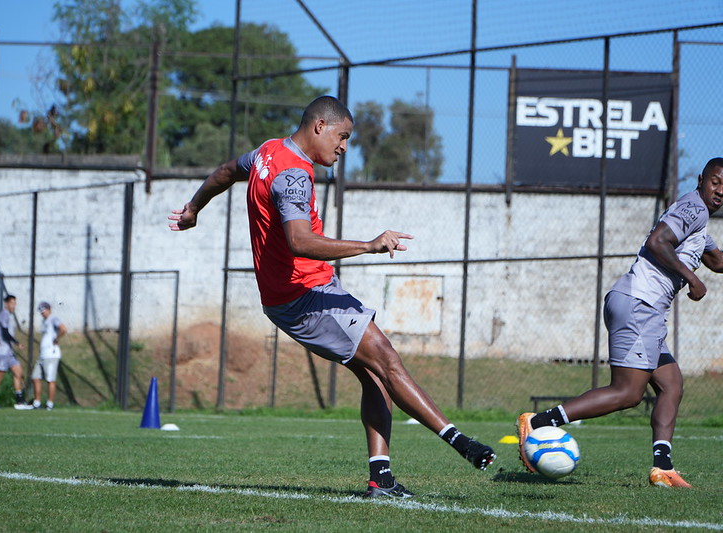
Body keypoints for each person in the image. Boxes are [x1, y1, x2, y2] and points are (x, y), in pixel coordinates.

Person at [169, 95, 495, 498]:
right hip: (304, 295)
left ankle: (382, 479)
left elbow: (223, 172)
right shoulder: (294, 175)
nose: (343, 147)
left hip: (301, 292)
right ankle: (460, 442)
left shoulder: (267, 153)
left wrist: (194, 208)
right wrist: (369, 245)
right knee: (387, 359)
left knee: (374, 373)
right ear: (320, 126)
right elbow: (300, 241)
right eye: (342, 137)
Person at [517, 157, 723, 489]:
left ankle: (663, 468)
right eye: (716, 182)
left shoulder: (700, 224)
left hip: (645, 310)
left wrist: (700, 272)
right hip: (639, 304)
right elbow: (658, 242)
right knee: (627, 393)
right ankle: (539, 422)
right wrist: (692, 280)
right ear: (702, 180)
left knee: (671, 384)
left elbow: (718, 261)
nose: (720, 191)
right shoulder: (693, 208)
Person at [0, 294, 32, 410]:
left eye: (15, 303)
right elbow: (3, 332)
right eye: (12, 303)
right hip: (3, 351)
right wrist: (17, 342)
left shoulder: (6, 315)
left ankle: (19, 402)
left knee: (19, 373)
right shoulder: (4, 314)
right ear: (6, 304)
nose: (14, 306)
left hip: (9, 351)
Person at [31, 301, 66, 410]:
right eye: (41, 311)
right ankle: (37, 402)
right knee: (35, 377)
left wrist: (56, 338)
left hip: (51, 354)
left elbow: (63, 329)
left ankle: (49, 403)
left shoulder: (53, 318)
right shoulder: (44, 321)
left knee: (50, 379)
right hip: (43, 355)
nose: (42, 313)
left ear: (49, 309)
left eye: (44, 310)